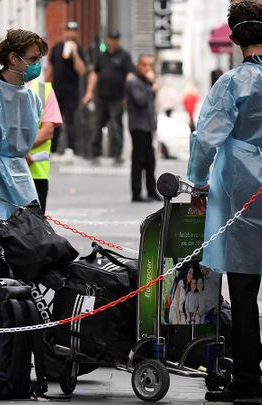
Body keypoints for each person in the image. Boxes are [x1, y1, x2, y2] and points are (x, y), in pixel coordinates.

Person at [187, 1, 262, 401]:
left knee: (245, 292)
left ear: (234, 38)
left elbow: (206, 139)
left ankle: (249, 382)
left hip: (241, 191)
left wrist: (198, 183)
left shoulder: (233, 83)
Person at [0, 28, 48, 279]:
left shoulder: (32, 96)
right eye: (32, 59)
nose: (36, 65)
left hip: (20, 176)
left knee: (27, 248)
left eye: (39, 59)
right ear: (13, 58)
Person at [82, 30, 134, 165]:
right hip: (101, 96)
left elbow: (130, 76)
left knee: (116, 125)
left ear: (119, 41)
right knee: (97, 124)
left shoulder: (124, 56)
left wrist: (127, 95)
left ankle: (117, 154)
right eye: (111, 39)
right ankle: (94, 152)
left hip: (117, 98)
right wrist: (89, 92)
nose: (113, 42)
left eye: (116, 39)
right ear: (108, 40)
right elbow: (95, 74)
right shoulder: (102, 56)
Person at [125, 54, 162, 202]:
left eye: (150, 66)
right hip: (138, 126)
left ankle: (151, 190)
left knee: (150, 160)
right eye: (144, 65)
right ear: (138, 66)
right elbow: (139, 101)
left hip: (147, 126)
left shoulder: (145, 82)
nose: (148, 69)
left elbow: (149, 102)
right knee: (138, 160)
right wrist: (150, 86)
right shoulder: (133, 81)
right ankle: (136, 192)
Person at [47, 21, 86, 158]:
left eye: (74, 31)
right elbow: (50, 68)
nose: (71, 33)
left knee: (70, 120)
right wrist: (46, 88)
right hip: (57, 90)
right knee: (54, 120)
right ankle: (53, 149)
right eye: (69, 30)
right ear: (65, 32)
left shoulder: (79, 49)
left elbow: (81, 70)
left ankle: (71, 148)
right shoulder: (57, 47)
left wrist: (75, 52)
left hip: (71, 92)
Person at [27, 80, 63, 213]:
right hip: (7, 172)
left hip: (37, 171)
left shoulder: (44, 89)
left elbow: (47, 131)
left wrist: (22, 151)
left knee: (35, 225)